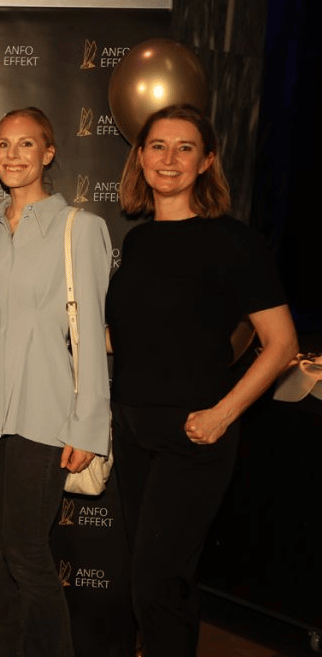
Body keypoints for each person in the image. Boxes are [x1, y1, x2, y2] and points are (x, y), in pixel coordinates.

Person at [106, 104, 298, 656]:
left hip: (196, 438)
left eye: (185, 147)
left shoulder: (235, 242)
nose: (169, 159)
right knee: (170, 584)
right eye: (158, 146)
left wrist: (222, 414)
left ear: (207, 160)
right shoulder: (138, 242)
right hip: (135, 432)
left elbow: (281, 342)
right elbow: (141, 336)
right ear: (140, 158)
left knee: (154, 586)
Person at [0, 107, 112, 656]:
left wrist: (89, 427)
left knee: (25, 551)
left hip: (46, 416)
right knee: (0, 548)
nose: (12, 155)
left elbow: (90, 333)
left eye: (26, 145)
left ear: (48, 154)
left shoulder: (80, 228)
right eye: (4, 144)